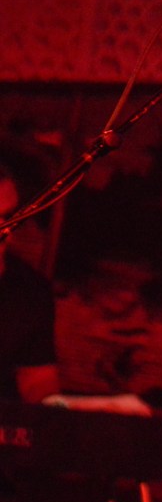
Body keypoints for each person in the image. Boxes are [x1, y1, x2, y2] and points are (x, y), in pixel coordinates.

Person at [0, 163, 61, 403]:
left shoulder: (30, 291)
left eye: (9, 217)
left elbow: (37, 382)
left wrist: (68, 413)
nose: (6, 230)